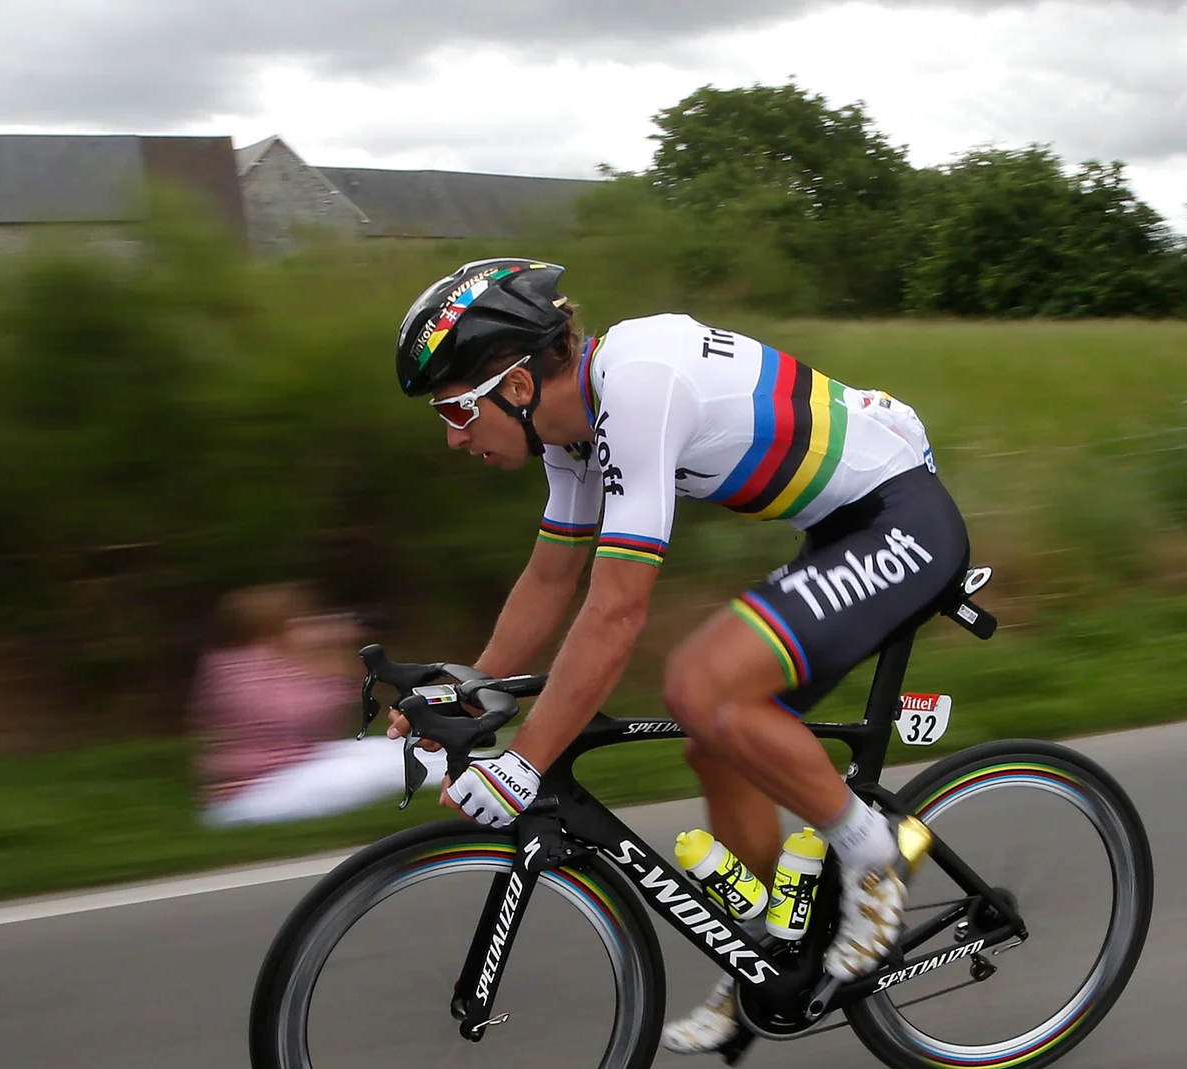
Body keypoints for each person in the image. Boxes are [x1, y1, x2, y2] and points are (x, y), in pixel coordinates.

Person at [384, 260, 970, 1054]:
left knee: (701, 685)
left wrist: (525, 761)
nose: (454, 437)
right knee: (718, 747)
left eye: (457, 409)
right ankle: (776, 949)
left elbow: (617, 610)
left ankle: (874, 855)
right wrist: (467, 691)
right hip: (842, 530)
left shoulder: (639, 387)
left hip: (900, 521)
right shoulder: (573, 431)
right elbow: (552, 576)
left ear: (517, 385)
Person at [189, 583, 444, 827]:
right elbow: (297, 715)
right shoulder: (236, 667)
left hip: (292, 769)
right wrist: (322, 658)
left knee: (394, 747)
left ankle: (459, 770)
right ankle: (458, 785)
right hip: (253, 793)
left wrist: (328, 659)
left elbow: (331, 718)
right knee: (387, 767)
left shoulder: (271, 660)